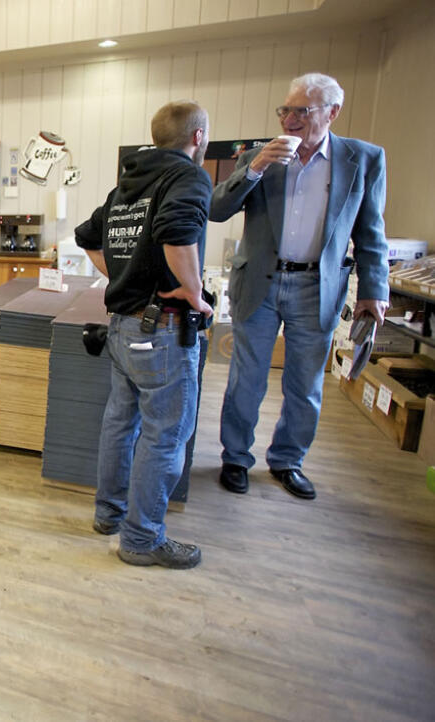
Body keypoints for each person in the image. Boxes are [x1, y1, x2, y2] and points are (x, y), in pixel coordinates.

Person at [212, 73, 389, 501]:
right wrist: (254, 169)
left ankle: (287, 461)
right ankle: (235, 457)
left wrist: (374, 290)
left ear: (332, 112)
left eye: (300, 111)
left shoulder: (362, 159)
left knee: (305, 384)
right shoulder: (258, 157)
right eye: (284, 110)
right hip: (260, 282)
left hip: (318, 285)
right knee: (246, 378)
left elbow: (371, 232)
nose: (289, 119)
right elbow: (217, 209)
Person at [75, 100, 213, 569]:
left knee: (121, 423)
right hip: (162, 330)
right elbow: (177, 232)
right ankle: (141, 537)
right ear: (197, 138)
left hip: (123, 328)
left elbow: (88, 236)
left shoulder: (126, 186)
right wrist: (194, 293)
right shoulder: (186, 178)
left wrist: (119, 277)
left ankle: (109, 514)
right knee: (166, 436)